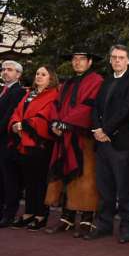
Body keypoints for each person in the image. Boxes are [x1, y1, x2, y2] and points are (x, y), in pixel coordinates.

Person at [85, 45, 129, 243]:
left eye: (121, 57)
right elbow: (95, 108)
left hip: (121, 144)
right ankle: (104, 225)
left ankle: (127, 228)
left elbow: (126, 110)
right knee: (104, 188)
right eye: (114, 57)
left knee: (124, 189)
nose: (117, 61)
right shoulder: (106, 81)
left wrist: (106, 130)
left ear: (128, 61)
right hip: (102, 144)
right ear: (110, 60)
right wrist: (97, 129)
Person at [45, 51, 103, 237]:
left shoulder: (96, 80)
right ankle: (67, 218)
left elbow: (88, 106)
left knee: (86, 178)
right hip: (64, 136)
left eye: (82, 59)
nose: (77, 62)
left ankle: (87, 219)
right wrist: (55, 122)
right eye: (74, 59)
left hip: (83, 137)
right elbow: (55, 105)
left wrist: (66, 123)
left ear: (90, 61)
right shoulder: (67, 83)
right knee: (65, 175)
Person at [8, 66, 59, 231]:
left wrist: (24, 124)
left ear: (50, 78)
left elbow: (45, 117)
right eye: (37, 73)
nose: (39, 76)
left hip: (40, 144)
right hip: (23, 143)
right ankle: (29, 212)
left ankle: (41, 215)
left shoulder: (54, 95)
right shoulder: (29, 94)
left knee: (40, 181)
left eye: (43, 74)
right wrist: (15, 123)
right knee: (29, 181)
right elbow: (17, 111)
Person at [0, 60, 26, 227]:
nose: (5, 72)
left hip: (8, 142)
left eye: (10, 70)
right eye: (3, 69)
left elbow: (10, 116)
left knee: (9, 180)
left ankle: (9, 214)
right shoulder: (2, 90)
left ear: (18, 74)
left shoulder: (18, 92)